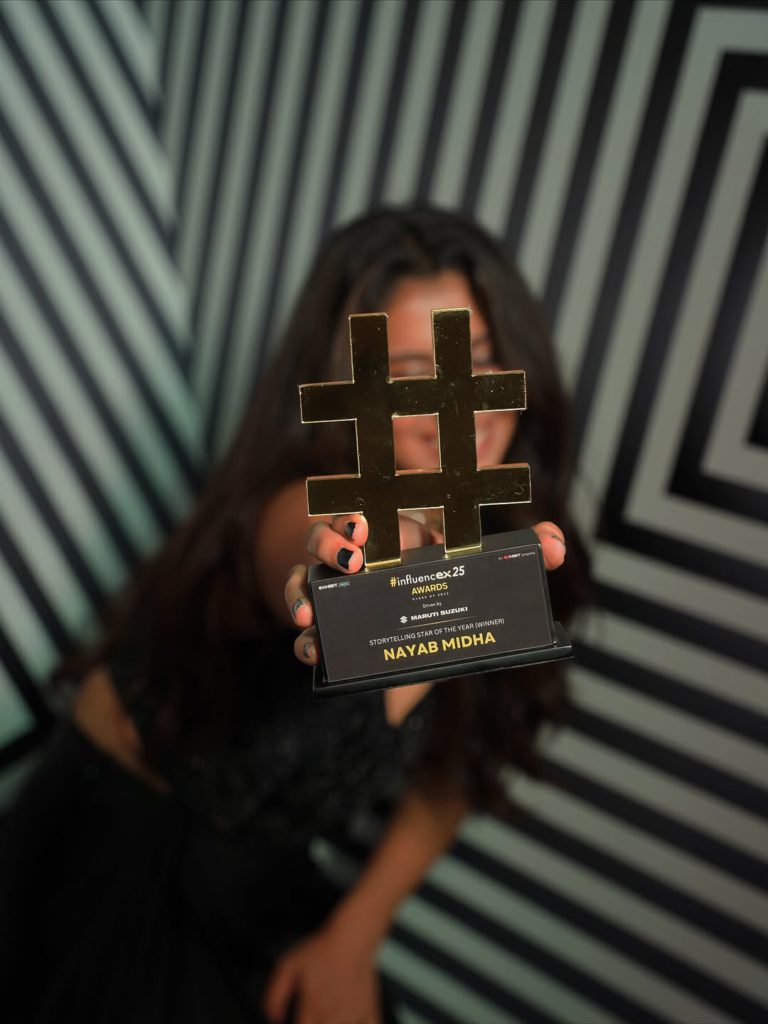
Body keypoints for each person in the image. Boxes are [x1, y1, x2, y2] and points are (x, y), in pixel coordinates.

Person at [0, 206, 589, 1024]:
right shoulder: (297, 505)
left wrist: (356, 934)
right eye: (408, 374)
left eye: (479, 362)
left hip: (257, 879)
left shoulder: (510, 543)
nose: (453, 409)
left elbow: (464, 758)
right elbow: (311, 536)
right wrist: (362, 557)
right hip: (114, 859)